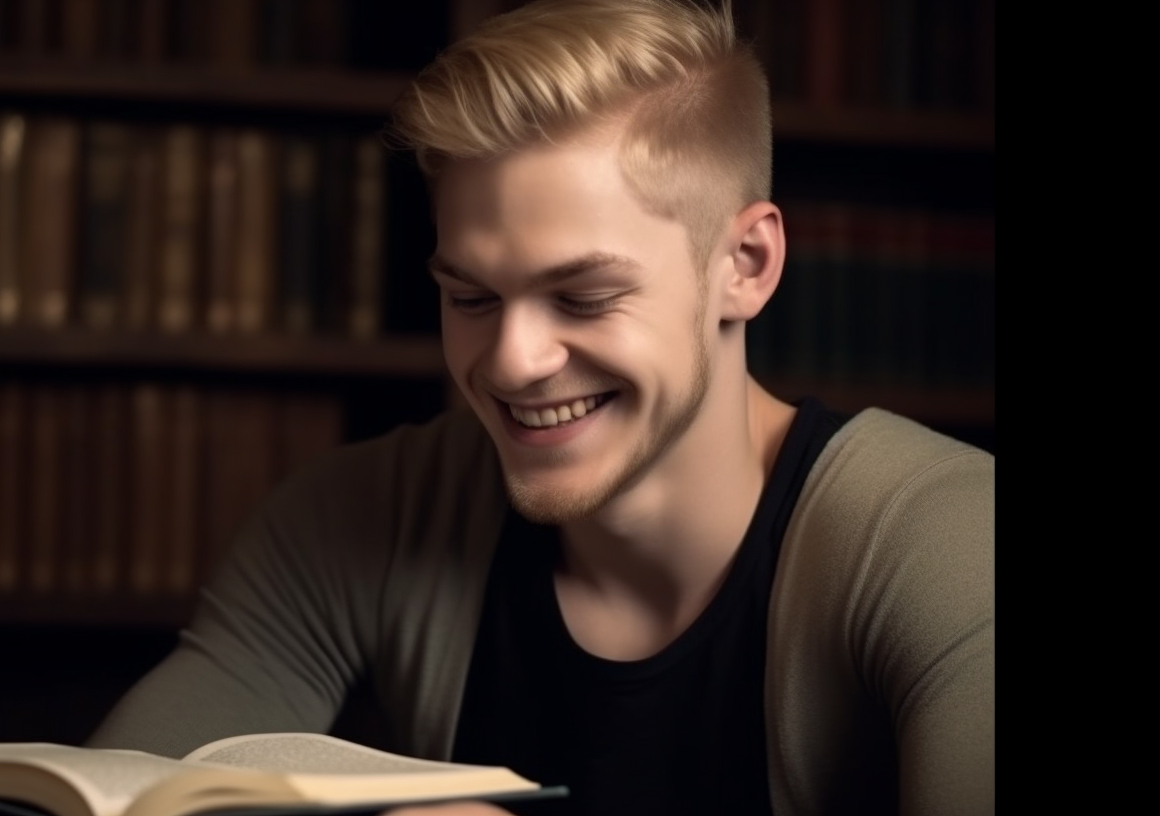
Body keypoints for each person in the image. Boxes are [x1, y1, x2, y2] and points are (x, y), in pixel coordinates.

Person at [86, 1, 995, 814]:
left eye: (584, 296)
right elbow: (122, 793)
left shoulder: (949, 541)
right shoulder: (359, 513)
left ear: (745, 266)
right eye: (472, 298)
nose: (513, 364)